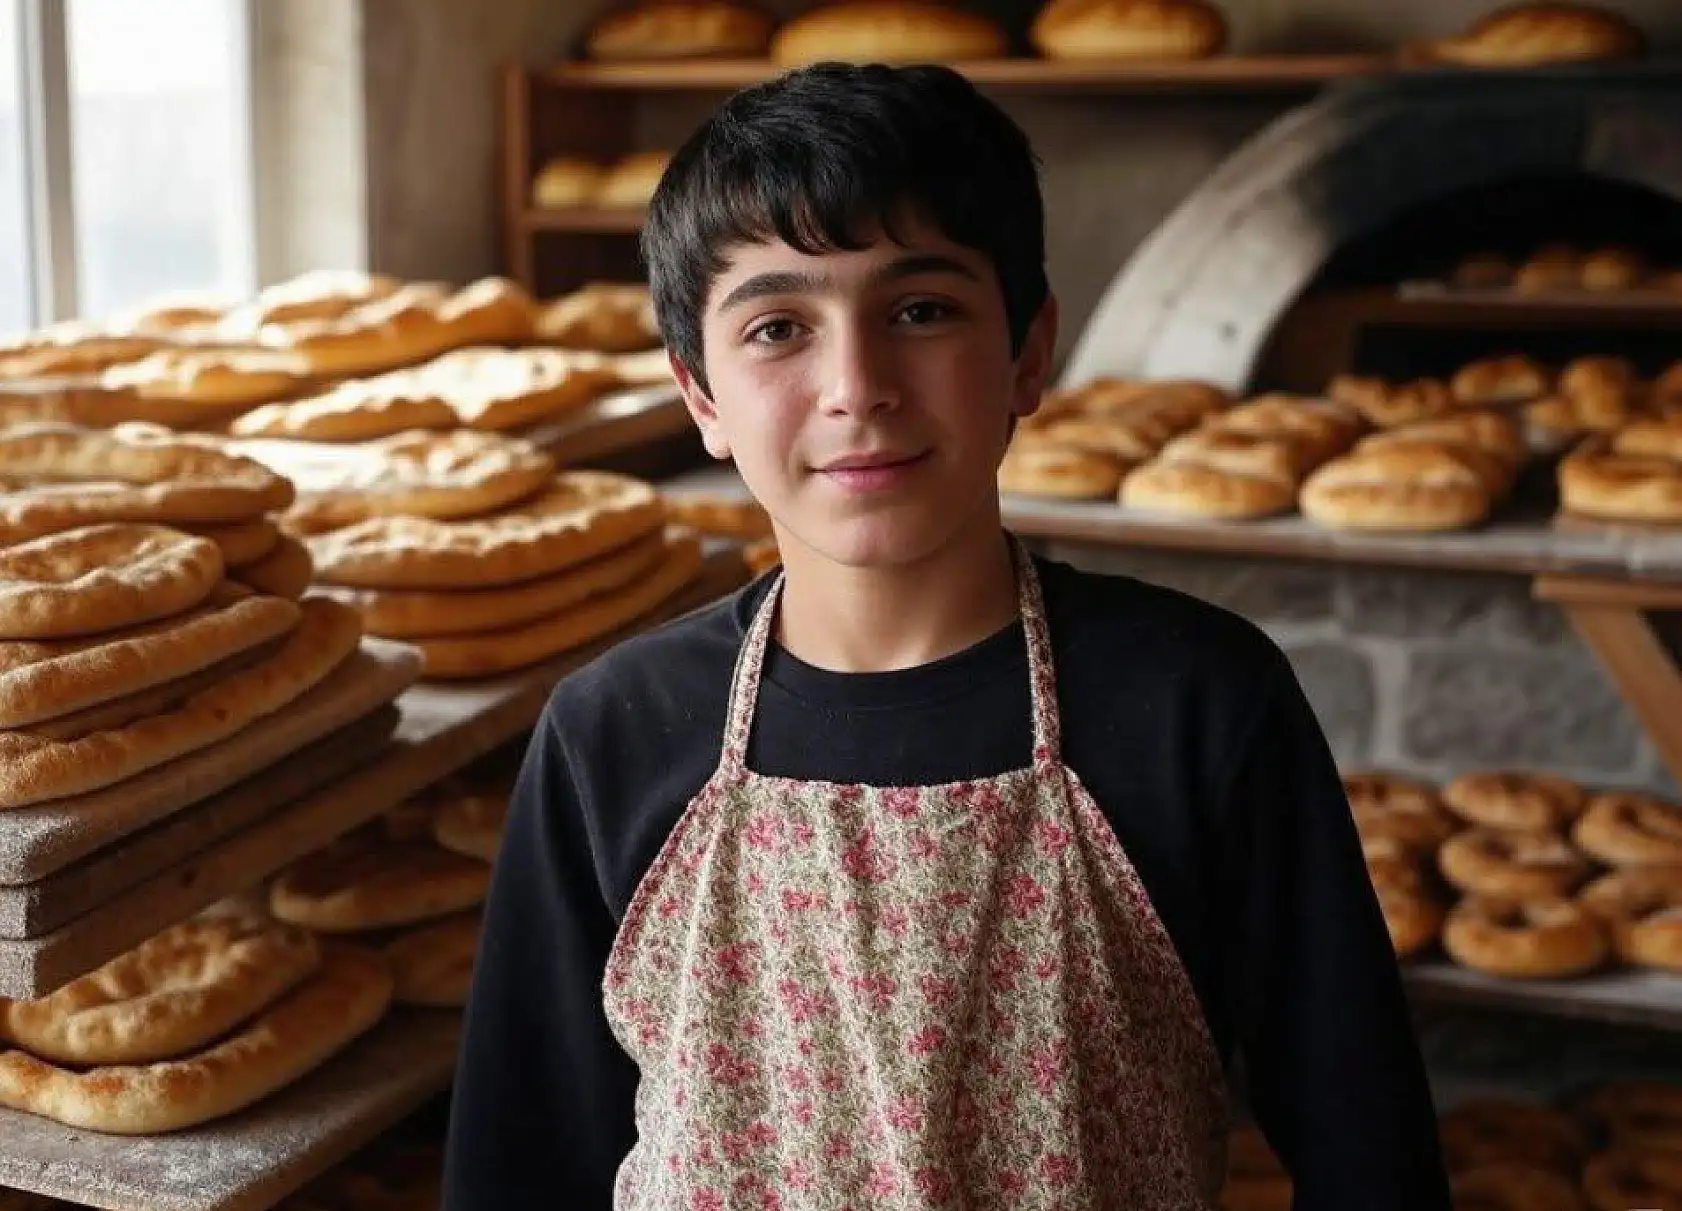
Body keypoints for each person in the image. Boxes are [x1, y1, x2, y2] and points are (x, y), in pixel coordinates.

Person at [442, 60, 1451, 1210]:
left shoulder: (1195, 703)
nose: (855, 385)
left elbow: (1371, 1155)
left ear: (1027, 353)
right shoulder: (610, 731)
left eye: (919, 310)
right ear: (701, 395)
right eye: (777, 327)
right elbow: (516, 1170)